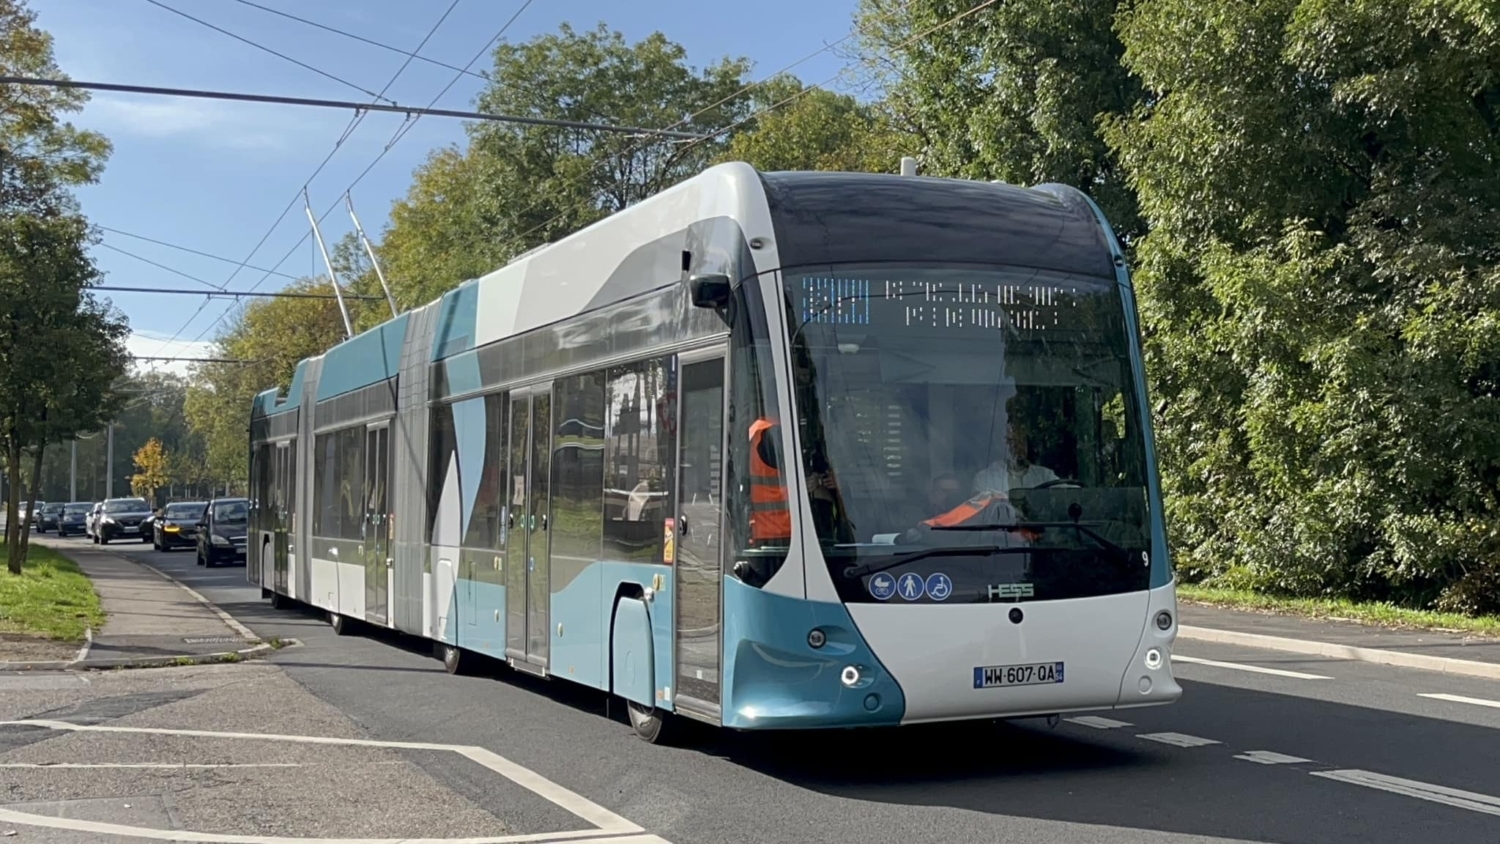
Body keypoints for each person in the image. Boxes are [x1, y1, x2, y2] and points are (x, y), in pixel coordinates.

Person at [972, 428, 1059, 495]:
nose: (1019, 447)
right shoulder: (986, 479)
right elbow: (979, 511)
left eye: (1022, 442)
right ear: (1005, 446)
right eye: (1014, 442)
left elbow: (1064, 491)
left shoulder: (1044, 476)